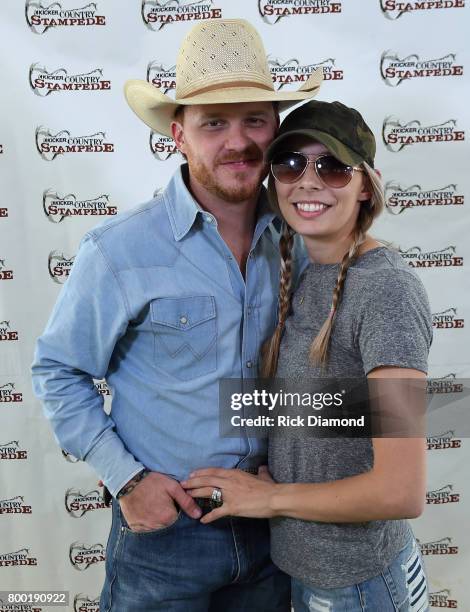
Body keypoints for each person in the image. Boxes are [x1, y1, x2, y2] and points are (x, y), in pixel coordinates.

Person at [31, 18, 323, 612]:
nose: (237, 141)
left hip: (273, 530)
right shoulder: (119, 250)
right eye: (213, 123)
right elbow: (58, 371)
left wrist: (292, 478)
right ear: (178, 135)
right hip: (165, 539)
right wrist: (129, 482)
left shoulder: (304, 243)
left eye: (254, 121)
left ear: (276, 131)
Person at [182, 100, 432, 611]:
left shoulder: (386, 290)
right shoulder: (301, 272)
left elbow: (401, 490)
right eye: (291, 164)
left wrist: (271, 499)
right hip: (300, 566)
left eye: (334, 166)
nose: (309, 180)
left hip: (358, 581)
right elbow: (323, 408)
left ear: (366, 185)